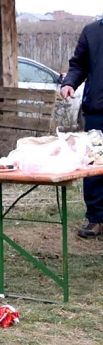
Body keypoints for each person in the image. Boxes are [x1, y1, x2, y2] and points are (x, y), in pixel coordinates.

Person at [60, 15, 103, 238]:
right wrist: (69, 83)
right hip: (97, 112)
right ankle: (96, 218)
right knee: (94, 167)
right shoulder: (92, 31)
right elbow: (78, 65)